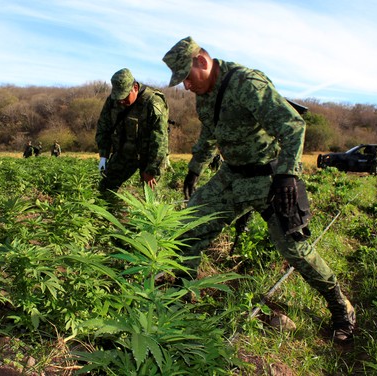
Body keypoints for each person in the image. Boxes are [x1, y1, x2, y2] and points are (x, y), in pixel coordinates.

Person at [162, 36, 355, 343]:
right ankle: (181, 295)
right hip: (232, 175)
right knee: (190, 225)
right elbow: (209, 133)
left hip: (269, 177)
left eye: (187, 77)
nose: (186, 85)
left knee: (294, 249)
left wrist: (288, 175)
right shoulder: (204, 95)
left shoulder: (247, 83)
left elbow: (292, 125)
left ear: (203, 61)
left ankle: (340, 307)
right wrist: (195, 168)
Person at [95, 68, 170, 198]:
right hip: (125, 152)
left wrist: (151, 169)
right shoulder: (112, 101)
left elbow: (160, 140)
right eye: (118, 97)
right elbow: (103, 127)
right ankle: (108, 216)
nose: (121, 101)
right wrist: (103, 155)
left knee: (152, 198)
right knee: (105, 189)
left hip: (150, 156)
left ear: (135, 87)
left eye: (124, 96)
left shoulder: (153, 102)